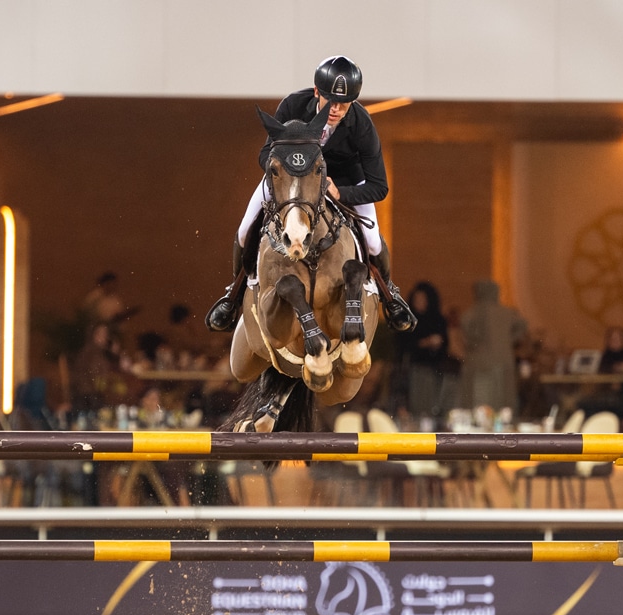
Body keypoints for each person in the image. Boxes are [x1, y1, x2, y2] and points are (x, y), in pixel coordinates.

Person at [205, 55, 416, 334]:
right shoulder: (292, 105)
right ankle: (233, 295)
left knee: (374, 242)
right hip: (294, 180)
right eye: (330, 100)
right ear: (317, 92)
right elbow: (265, 154)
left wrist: (341, 191)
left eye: (344, 104)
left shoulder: (362, 124)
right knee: (246, 229)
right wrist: (295, 173)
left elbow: (379, 185)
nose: (337, 109)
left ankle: (390, 295)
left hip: (345, 183)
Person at [459, 280, 528, 413]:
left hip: (480, 366)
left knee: (480, 404)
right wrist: (510, 339)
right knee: (502, 404)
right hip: (504, 363)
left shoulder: (474, 312)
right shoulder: (507, 312)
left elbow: (465, 327)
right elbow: (522, 325)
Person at [395, 282, 451, 421]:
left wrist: (437, 343)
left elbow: (445, 343)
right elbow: (403, 344)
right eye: (416, 300)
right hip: (414, 370)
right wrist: (425, 342)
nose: (419, 303)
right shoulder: (406, 319)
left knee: (433, 407)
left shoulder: (437, 320)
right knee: (416, 406)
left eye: (423, 300)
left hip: (435, 371)